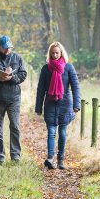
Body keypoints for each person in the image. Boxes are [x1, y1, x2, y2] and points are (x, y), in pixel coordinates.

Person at [35, 41, 80, 170]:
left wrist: (76, 104)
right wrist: (38, 107)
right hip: (50, 104)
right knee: (51, 132)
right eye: (52, 53)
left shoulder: (68, 68)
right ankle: (50, 158)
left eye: (57, 53)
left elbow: (76, 87)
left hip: (65, 104)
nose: (55, 55)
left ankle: (61, 160)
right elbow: (41, 89)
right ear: (50, 54)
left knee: (63, 132)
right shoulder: (46, 68)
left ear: (61, 53)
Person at [0, 35, 27, 164]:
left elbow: (23, 74)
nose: (7, 51)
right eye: (4, 48)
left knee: (15, 126)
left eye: (9, 48)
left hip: (13, 98)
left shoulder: (18, 58)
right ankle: (0, 157)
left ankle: (15, 156)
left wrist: (12, 77)